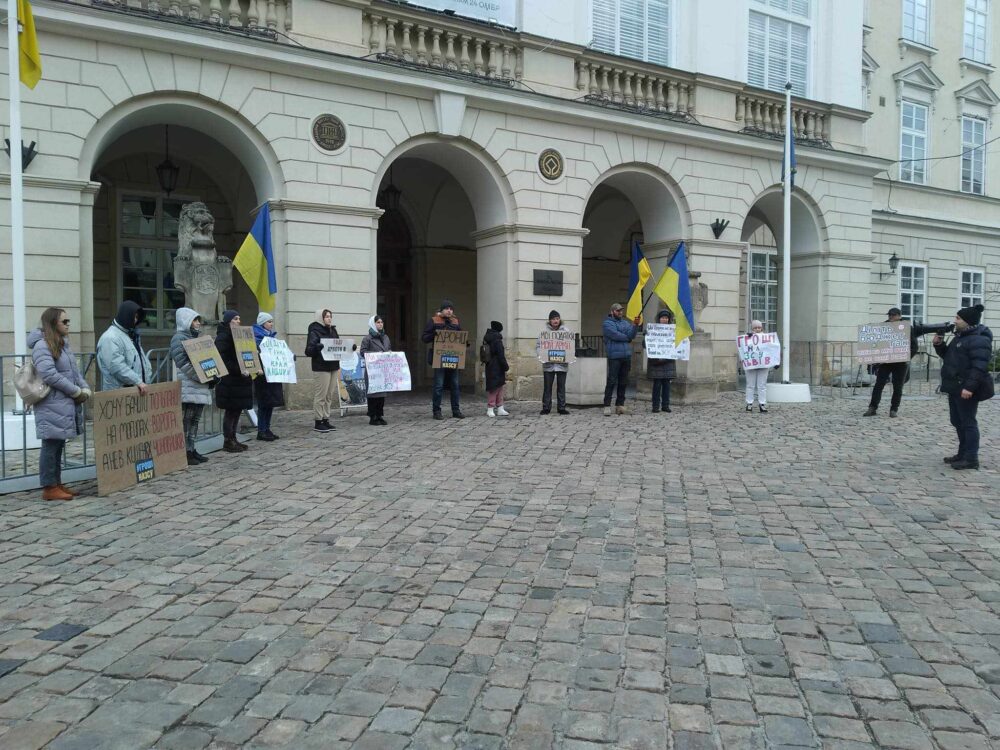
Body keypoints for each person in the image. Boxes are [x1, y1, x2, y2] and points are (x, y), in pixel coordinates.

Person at [27, 308, 91, 501]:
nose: (68, 324)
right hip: (51, 403)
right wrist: (74, 391)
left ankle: (56, 483)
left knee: (58, 443)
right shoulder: (42, 345)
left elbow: (74, 372)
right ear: (53, 323)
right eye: (65, 321)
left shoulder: (63, 344)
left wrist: (84, 388)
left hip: (62, 403)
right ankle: (49, 487)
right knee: (51, 444)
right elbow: (49, 374)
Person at [933, 304, 993, 470]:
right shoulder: (961, 337)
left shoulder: (979, 339)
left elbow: (979, 367)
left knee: (968, 422)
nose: (955, 320)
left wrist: (970, 388)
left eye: (958, 318)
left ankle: (971, 458)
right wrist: (939, 345)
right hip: (955, 386)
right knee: (957, 421)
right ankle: (962, 453)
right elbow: (950, 358)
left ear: (968, 321)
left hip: (965, 387)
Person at [169, 307, 212, 466]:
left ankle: (192, 449)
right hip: (189, 385)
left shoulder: (196, 338)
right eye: (195, 320)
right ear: (186, 321)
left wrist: (212, 375)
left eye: (198, 320)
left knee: (195, 419)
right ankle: (185, 451)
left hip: (199, 384)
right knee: (187, 419)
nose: (198, 323)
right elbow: (183, 364)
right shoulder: (178, 338)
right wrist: (204, 376)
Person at [864, 307, 919, 418]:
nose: (890, 317)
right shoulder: (884, 326)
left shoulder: (907, 327)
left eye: (893, 315)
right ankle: (872, 407)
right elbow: (876, 342)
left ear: (899, 316)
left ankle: (894, 409)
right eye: (889, 315)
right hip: (886, 362)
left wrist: (906, 357)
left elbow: (914, 346)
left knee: (898, 387)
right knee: (879, 385)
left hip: (900, 362)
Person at [214, 310, 253, 453]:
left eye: (239, 318)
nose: (238, 321)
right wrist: (238, 369)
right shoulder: (223, 337)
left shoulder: (239, 335)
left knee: (237, 409)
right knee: (231, 411)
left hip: (239, 379)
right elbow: (222, 359)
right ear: (229, 321)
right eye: (236, 319)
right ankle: (228, 440)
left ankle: (234, 438)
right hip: (230, 379)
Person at [421, 300, 465, 420]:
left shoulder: (455, 321)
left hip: (453, 358)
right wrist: (434, 334)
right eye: (447, 308)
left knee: (455, 385)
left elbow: (461, 336)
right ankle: (437, 411)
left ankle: (456, 410)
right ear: (442, 310)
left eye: (451, 309)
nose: (449, 311)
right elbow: (424, 338)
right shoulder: (434, 320)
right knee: (438, 385)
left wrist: (465, 343)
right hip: (439, 358)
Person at [97, 300, 151, 393]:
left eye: (137, 317)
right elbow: (116, 366)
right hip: (118, 395)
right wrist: (138, 381)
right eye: (134, 316)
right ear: (126, 315)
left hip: (134, 391)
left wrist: (146, 379)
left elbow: (142, 361)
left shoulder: (130, 335)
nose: (135, 320)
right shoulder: (110, 337)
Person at [304, 309, 339, 433]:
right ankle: (318, 421)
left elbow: (338, 346)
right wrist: (317, 347)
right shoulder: (314, 331)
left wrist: (349, 349)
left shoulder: (333, 330)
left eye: (330, 316)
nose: (329, 318)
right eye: (327, 316)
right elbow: (308, 351)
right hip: (321, 367)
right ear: (321, 318)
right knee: (321, 396)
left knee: (329, 395)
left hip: (333, 366)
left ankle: (326, 419)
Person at [602, 302, 640, 416]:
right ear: (612, 312)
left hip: (626, 356)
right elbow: (615, 335)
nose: (620, 312)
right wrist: (627, 337)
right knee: (612, 381)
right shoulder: (607, 323)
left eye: (621, 311)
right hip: (614, 356)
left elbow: (632, 335)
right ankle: (607, 405)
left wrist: (635, 325)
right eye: (617, 311)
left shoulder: (625, 323)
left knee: (623, 382)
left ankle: (620, 405)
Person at [252, 312, 284, 441]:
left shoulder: (272, 338)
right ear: (262, 323)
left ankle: (267, 428)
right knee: (263, 403)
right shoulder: (256, 338)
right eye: (269, 322)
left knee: (270, 403)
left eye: (271, 321)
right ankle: (261, 430)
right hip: (262, 375)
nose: (271, 324)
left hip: (272, 373)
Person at [360, 314, 391, 426]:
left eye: (382, 322)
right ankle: (372, 416)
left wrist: (390, 354)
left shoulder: (386, 337)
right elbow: (363, 352)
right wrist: (376, 355)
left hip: (383, 370)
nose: (380, 324)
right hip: (372, 371)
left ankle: (379, 415)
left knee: (382, 394)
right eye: (378, 322)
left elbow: (388, 349)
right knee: (373, 394)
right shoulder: (367, 338)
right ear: (373, 324)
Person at [538, 310, 570, 416]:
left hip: (562, 364)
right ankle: (546, 407)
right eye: (553, 319)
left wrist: (570, 356)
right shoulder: (544, 332)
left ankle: (562, 407)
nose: (555, 321)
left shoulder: (566, 331)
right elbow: (539, 346)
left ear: (559, 319)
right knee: (547, 387)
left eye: (557, 318)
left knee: (561, 386)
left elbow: (570, 346)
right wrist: (541, 355)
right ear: (550, 320)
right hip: (548, 364)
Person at [646, 309, 676, 413]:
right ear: (659, 319)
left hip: (668, 362)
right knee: (657, 386)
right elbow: (645, 345)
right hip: (656, 362)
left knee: (667, 386)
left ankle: (665, 405)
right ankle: (655, 406)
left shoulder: (673, 331)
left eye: (666, 318)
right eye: (663, 318)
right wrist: (646, 336)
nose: (664, 320)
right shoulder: (653, 330)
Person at [483, 321, 510, 417]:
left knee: (498, 386)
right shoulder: (497, 340)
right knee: (494, 388)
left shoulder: (487, 337)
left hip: (490, 365)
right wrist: (506, 366)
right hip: (497, 366)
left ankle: (500, 407)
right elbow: (500, 355)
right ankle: (491, 408)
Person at [744, 319, 770, 413]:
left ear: (761, 328)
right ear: (752, 328)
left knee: (762, 385)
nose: (757, 329)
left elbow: (771, 349)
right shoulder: (747, 338)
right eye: (755, 328)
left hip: (763, 364)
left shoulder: (766, 337)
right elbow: (743, 349)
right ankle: (749, 403)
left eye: (759, 327)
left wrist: (775, 361)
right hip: (751, 364)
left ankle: (762, 404)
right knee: (750, 385)